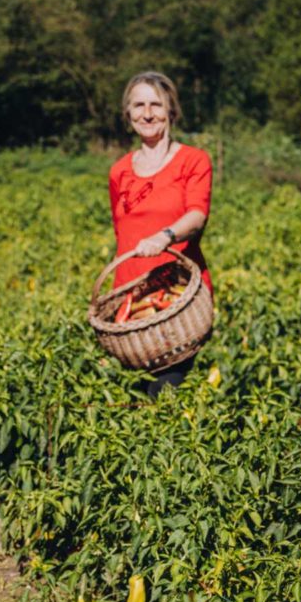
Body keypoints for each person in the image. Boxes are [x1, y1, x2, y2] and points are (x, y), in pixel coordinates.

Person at [108, 71, 213, 396]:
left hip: (176, 300)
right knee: (128, 405)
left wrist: (165, 236)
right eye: (139, 105)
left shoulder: (193, 161)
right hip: (131, 308)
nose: (148, 113)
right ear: (128, 114)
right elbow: (122, 236)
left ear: (171, 111)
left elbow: (197, 216)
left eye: (156, 104)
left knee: (163, 397)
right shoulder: (119, 171)